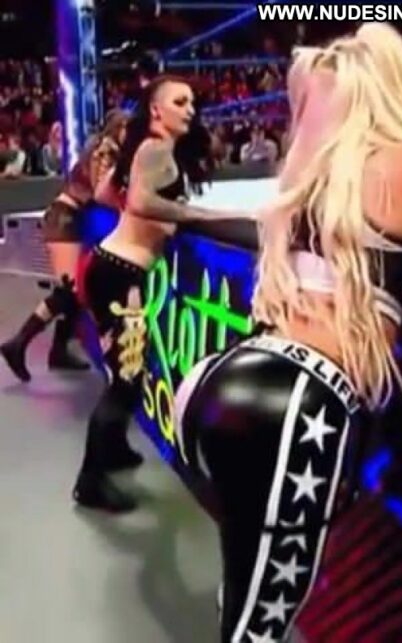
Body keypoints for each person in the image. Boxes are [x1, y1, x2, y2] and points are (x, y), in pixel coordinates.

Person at [172, 23, 402, 643]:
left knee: (241, 587)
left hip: (216, 379)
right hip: (297, 406)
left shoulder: (310, 178)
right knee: (255, 631)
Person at [72, 74, 252, 513]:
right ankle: (89, 482)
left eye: (191, 102)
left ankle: (113, 450)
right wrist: (198, 215)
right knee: (127, 378)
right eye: (179, 102)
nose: (189, 109)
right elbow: (141, 202)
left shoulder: (149, 148)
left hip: (113, 269)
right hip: (119, 275)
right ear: (156, 110)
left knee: (128, 371)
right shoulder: (155, 149)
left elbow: (106, 193)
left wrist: (148, 219)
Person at [0, 109, 128, 382]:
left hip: (72, 218)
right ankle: (18, 344)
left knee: (78, 291)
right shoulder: (106, 149)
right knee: (70, 290)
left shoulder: (105, 148)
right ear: (117, 128)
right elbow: (100, 192)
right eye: (126, 127)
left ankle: (57, 351)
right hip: (64, 219)